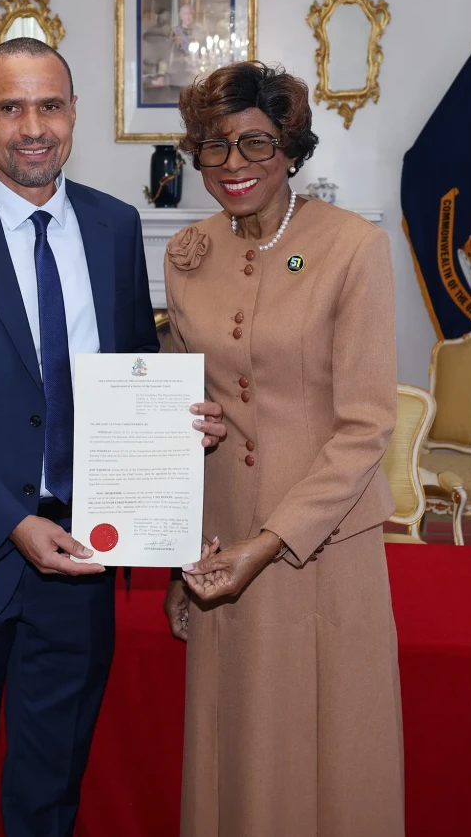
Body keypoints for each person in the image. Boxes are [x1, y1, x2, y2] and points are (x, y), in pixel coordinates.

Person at [0, 37, 226, 837]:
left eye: (50, 105)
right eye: (10, 107)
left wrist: (181, 418)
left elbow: (132, 369)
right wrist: (11, 519)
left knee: (50, 786)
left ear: (73, 114)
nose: (33, 126)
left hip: (82, 557)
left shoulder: (112, 225)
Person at [162, 61, 405, 836]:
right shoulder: (185, 254)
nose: (233, 166)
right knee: (235, 742)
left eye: (255, 144)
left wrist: (269, 541)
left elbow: (366, 422)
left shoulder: (352, 247)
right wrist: (173, 547)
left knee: (322, 748)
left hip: (320, 541)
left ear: (291, 148)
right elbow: (181, 407)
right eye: (213, 146)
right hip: (219, 535)